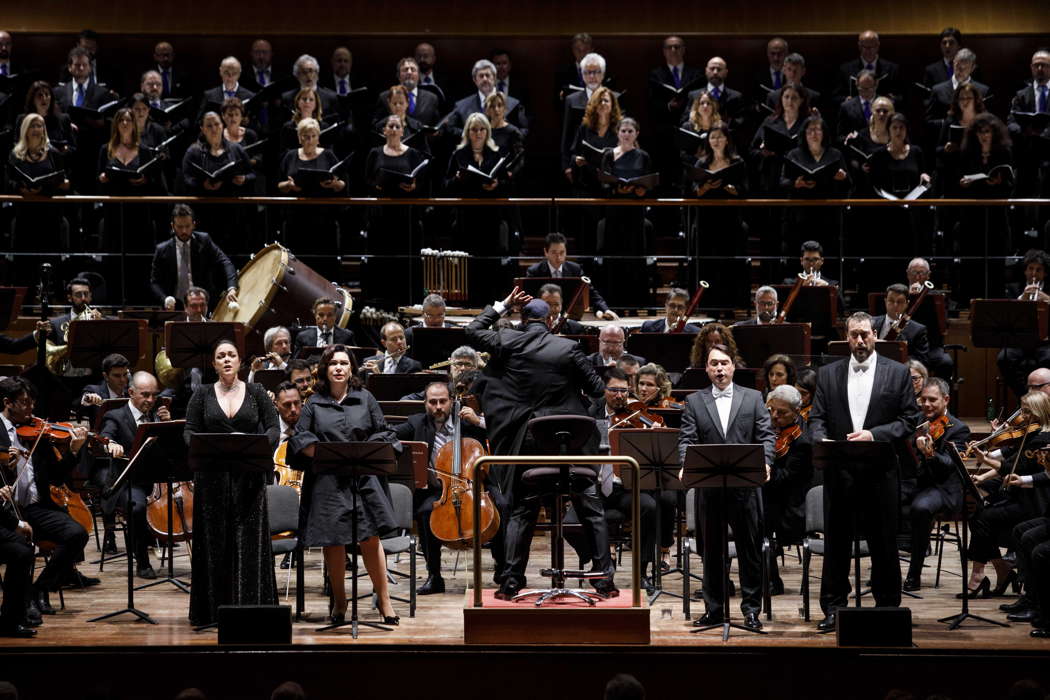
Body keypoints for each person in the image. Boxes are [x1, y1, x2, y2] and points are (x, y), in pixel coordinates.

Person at [465, 289, 608, 598]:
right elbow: (598, 390)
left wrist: (502, 304)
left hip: (525, 445)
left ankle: (513, 579)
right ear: (551, 319)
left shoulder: (508, 342)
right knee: (590, 507)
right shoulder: (567, 348)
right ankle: (603, 579)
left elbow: (471, 330)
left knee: (522, 511)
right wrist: (579, 411)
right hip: (569, 448)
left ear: (522, 319)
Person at [808, 312, 920, 632]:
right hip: (839, 470)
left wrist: (874, 434)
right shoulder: (828, 374)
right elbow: (816, 418)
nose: (860, 340)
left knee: (884, 542)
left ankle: (886, 606)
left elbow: (908, 420)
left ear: (875, 335)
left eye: (865, 334)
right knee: (837, 544)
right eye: (854, 335)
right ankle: (834, 607)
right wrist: (820, 438)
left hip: (880, 471)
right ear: (847, 337)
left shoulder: (898, 373)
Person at [287, 344, 401, 624]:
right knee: (333, 542)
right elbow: (300, 437)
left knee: (370, 538)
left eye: (344, 363)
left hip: (363, 477)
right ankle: (340, 601)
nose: (338, 367)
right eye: (333, 363)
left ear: (352, 369)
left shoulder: (365, 398)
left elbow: (385, 432)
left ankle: (384, 601)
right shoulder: (314, 402)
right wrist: (323, 453)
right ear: (325, 369)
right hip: (327, 480)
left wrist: (362, 450)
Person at [679, 344, 774, 631]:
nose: (719, 369)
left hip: (745, 488)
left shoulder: (754, 398)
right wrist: (685, 464)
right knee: (712, 553)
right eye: (713, 364)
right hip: (709, 488)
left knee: (750, 552)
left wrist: (767, 462)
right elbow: (686, 440)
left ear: (733, 366)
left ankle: (751, 611)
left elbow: (767, 436)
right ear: (706, 369)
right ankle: (715, 609)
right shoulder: (694, 402)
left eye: (724, 363)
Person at [183, 339, 279, 626]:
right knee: (214, 544)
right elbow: (189, 430)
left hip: (249, 477)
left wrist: (261, 446)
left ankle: (251, 609)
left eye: (231, 355)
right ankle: (212, 611)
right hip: (212, 479)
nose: (226, 360)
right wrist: (203, 447)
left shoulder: (257, 391)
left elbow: (274, 426)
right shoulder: (201, 394)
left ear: (240, 362)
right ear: (213, 364)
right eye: (221, 356)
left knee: (249, 543)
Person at [565, 367, 667, 592]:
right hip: (594, 487)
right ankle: (600, 562)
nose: (620, 396)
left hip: (625, 488)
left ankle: (641, 572)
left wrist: (654, 436)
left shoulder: (638, 418)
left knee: (649, 507)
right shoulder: (587, 416)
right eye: (614, 390)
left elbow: (652, 457)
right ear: (603, 389)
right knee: (569, 524)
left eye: (624, 391)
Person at [0, 376, 91, 617]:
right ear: (7, 403)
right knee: (21, 548)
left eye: (33, 403)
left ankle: (40, 588)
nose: (31, 409)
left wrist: (73, 452)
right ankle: (19, 604)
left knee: (77, 533)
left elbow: (56, 477)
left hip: (35, 507)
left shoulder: (38, 433)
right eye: (25, 403)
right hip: (5, 510)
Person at [393, 381, 493, 594]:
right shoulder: (417, 423)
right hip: (437, 491)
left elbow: (500, 432)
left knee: (501, 506)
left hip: (472, 486)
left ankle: (503, 571)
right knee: (425, 511)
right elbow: (390, 433)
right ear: (425, 403)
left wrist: (480, 421)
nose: (438, 407)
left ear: (451, 401)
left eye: (443, 402)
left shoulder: (467, 422)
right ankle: (434, 576)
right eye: (433, 402)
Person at [99, 371, 173, 579]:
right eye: (145, 395)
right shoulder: (115, 416)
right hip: (130, 481)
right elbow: (106, 436)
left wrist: (169, 424)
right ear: (131, 392)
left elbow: (171, 450)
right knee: (136, 506)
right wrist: (110, 445)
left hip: (157, 479)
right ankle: (142, 560)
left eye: (154, 395)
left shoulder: (158, 415)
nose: (151, 400)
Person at [901, 377, 970, 591]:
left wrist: (930, 453)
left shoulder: (958, 429)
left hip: (943, 487)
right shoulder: (916, 420)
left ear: (946, 399)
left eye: (932, 400)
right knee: (883, 499)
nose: (927, 405)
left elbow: (949, 465)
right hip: (916, 482)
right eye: (923, 400)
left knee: (920, 508)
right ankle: (883, 570)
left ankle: (914, 574)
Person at [363, 113, 429, 307]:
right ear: (384, 131)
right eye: (389, 126)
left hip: (405, 216)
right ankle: (381, 304)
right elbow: (366, 181)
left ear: (403, 131)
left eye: (397, 126)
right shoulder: (375, 153)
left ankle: (407, 303)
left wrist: (414, 187)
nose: (393, 129)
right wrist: (377, 185)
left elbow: (422, 182)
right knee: (383, 262)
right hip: (381, 217)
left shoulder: (413, 154)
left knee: (406, 262)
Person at [444, 112, 509, 301]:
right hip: (466, 219)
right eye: (474, 129)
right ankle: (468, 301)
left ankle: (489, 301)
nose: (478, 133)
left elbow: (507, 185)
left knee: (489, 264)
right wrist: (457, 179)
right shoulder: (459, 155)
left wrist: (497, 185)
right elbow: (445, 186)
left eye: (481, 129)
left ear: (487, 132)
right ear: (468, 132)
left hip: (490, 219)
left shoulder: (496, 155)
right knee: (468, 264)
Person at [689, 122, 749, 310]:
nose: (716, 140)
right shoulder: (701, 163)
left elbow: (745, 190)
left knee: (728, 264)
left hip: (730, 221)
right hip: (707, 220)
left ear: (727, 139)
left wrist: (732, 189)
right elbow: (692, 192)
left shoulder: (737, 162)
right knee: (708, 264)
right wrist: (706, 187)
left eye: (720, 137)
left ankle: (730, 304)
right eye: (712, 137)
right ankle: (707, 305)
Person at [598, 117, 654, 309]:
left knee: (634, 255)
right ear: (618, 133)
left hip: (635, 213)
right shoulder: (608, 155)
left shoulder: (643, 156)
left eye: (631, 131)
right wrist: (616, 190)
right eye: (623, 131)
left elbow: (649, 181)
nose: (627, 134)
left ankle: (635, 303)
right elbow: (603, 183)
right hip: (614, 212)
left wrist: (641, 190)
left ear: (636, 134)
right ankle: (614, 303)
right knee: (615, 255)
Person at [763, 384, 812, 594]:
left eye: (781, 413)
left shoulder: (802, 442)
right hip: (773, 499)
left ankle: (771, 580)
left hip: (792, 507)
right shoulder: (771, 432)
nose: (774, 416)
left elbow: (785, 479)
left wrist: (762, 466)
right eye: (771, 410)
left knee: (757, 518)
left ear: (796, 413)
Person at [779, 115, 850, 258]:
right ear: (804, 133)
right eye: (810, 130)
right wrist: (796, 184)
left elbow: (849, 184)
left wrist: (842, 177)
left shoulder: (835, 154)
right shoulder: (794, 154)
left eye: (818, 130)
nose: (814, 134)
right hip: (801, 214)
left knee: (828, 251)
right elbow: (782, 181)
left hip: (828, 214)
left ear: (824, 133)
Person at [150, 204, 238, 311]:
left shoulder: (204, 241)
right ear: (173, 226)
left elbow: (225, 263)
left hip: (203, 304)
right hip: (175, 307)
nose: (184, 231)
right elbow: (154, 282)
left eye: (187, 226)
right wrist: (164, 299)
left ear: (194, 225)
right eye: (180, 227)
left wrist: (232, 288)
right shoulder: (162, 250)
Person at [6, 113, 71, 249]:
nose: (36, 129)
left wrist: (50, 187)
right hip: (25, 215)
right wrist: (20, 188)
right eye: (32, 126)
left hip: (50, 215)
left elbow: (62, 180)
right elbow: (8, 182)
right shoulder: (15, 155)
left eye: (39, 126)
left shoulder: (53, 154)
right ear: (25, 130)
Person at [525, 233, 618, 320]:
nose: (558, 257)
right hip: (542, 318)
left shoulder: (575, 269)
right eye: (554, 252)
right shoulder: (534, 271)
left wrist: (605, 309)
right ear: (546, 251)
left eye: (562, 252)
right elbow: (530, 300)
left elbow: (590, 291)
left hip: (571, 318)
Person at [999, 250, 1050, 398]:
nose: (1034, 273)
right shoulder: (1012, 289)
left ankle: (1045, 401)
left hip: (1044, 341)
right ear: (1025, 271)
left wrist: (1047, 299)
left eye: (1039, 270)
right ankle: (1025, 398)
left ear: (1045, 273)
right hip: (1018, 341)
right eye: (1031, 269)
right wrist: (1022, 299)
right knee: (1004, 359)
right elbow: (1005, 314)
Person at [444, 59, 527, 137]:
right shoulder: (462, 106)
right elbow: (450, 129)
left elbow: (524, 129)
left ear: (494, 78)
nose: (485, 79)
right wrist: (470, 135)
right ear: (475, 80)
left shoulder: (513, 104)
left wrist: (508, 138)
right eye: (481, 76)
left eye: (487, 75)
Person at [834, 30, 902, 106]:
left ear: (878, 46)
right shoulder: (846, 69)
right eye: (865, 47)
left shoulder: (892, 69)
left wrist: (892, 100)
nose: (869, 51)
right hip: (856, 112)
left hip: (882, 111)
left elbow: (901, 96)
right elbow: (836, 97)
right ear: (859, 47)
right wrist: (846, 100)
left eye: (872, 47)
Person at [925, 49, 990, 122]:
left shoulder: (983, 91)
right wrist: (946, 123)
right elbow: (928, 120)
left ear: (972, 68)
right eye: (958, 67)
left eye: (964, 68)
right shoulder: (938, 90)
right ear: (953, 63)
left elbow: (988, 121)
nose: (960, 71)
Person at [373, 58, 441, 127]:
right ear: (399, 76)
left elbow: (436, 127)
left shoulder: (431, 98)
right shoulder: (385, 97)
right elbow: (376, 126)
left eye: (413, 69)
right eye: (405, 70)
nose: (409, 72)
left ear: (418, 75)